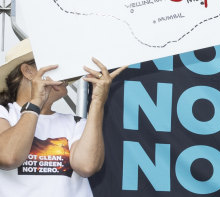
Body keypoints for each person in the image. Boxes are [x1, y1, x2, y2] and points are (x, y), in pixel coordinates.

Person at [0, 38, 126, 196]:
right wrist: (35, 103)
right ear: (28, 71)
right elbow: (9, 157)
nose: (66, 74)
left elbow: (87, 166)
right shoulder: (4, 113)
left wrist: (97, 101)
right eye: (57, 64)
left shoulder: (75, 122)